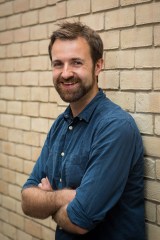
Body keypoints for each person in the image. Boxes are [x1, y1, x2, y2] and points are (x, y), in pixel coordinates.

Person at [21, 21, 145, 240]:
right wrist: (66, 198)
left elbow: (80, 220)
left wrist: (48, 199)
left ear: (98, 66)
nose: (66, 73)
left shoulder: (115, 127)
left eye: (76, 62)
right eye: (58, 64)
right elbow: (27, 200)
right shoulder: (61, 124)